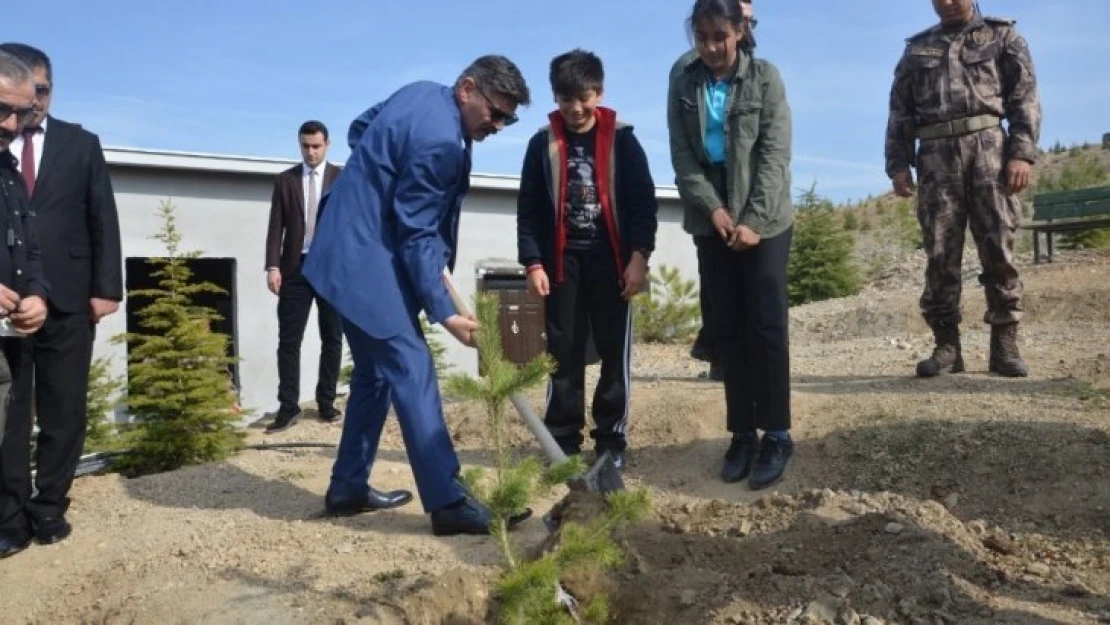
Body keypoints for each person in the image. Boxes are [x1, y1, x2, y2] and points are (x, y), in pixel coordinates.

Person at [302, 55, 534, 536]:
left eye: (508, 118)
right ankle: (449, 503)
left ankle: (347, 486)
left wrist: (373, 186)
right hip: (365, 257)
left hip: (344, 243)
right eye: (495, 113)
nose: (499, 126)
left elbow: (360, 128)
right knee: (411, 364)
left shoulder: (419, 92)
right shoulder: (442, 144)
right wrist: (446, 311)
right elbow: (418, 233)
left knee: (374, 373)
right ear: (468, 88)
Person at [667, 0, 795, 490]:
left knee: (765, 325)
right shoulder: (683, 80)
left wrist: (754, 221)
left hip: (766, 220)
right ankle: (742, 432)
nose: (712, 47)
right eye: (702, 37)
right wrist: (714, 210)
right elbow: (683, 156)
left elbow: (773, 156)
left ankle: (778, 433)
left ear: (740, 31)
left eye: (720, 36)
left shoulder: (765, 78)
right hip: (711, 219)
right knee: (728, 327)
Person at [0, 42, 122, 550]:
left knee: (64, 410)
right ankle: (9, 516)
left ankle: (49, 506)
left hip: (70, 298)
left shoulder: (80, 143)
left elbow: (102, 215)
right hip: (9, 303)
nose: (34, 105)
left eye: (42, 92)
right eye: (24, 96)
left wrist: (106, 288)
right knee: (10, 414)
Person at [517, 49, 658, 469]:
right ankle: (562, 439)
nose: (575, 108)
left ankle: (611, 441)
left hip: (612, 262)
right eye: (565, 99)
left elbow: (641, 203)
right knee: (564, 350)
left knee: (614, 352)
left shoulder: (623, 140)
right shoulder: (541, 144)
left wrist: (640, 257)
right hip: (563, 264)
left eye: (584, 97)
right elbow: (529, 209)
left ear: (599, 92)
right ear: (555, 98)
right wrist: (534, 263)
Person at [885, 0, 1041, 379]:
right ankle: (947, 347)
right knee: (940, 252)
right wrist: (897, 163)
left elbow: (1024, 97)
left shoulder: (1003, 35)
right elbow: (900, 109)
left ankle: (1004, 345)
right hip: (935, 156)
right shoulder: (917, 48)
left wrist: (1021, 153)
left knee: (998, 247)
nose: (948, 2)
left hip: (989, 149)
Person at [0, 50, 50, 558]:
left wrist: (36, 293)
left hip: (11, 335)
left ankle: (11, 521)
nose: (12, 124)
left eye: (20, 113)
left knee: (13, 433)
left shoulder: (9, 173)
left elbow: (29, 246)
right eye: (1, 110)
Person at [689, 0, 755, 384]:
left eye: (748, 19)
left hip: (747, 182)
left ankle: (748, 357)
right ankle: (719, 354)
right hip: (707, 186)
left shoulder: (758, 74)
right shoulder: (689, 74)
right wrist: (711, 204)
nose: (713, 45)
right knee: (713, 276)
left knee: (751, 277)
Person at [263, 120, 344, 433]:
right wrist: (272, 266)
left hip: (331, 270)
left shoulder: (342, 178)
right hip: (294, 269)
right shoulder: (285, 180)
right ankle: (288, 406)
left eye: (316, 146)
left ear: (327, 144)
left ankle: (326, 403)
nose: (310, 152)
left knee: (332, 337)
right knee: (289, 340)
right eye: (305, 146)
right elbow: (275, 227)